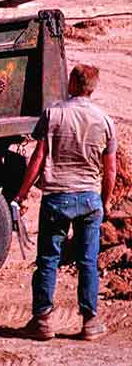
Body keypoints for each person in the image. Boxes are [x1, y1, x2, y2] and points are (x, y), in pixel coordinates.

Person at [15, 63, 117, 341]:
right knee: (87, 262)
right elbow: (110, 170)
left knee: (48, 260)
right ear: (93, 88)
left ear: (72, 83)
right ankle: (90, 323)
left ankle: (43, 322)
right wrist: (104, 203)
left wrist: (22, 194)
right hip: (89, 200)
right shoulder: (105, 121)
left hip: (56, 199)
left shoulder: (53, 113)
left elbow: (38, 158)